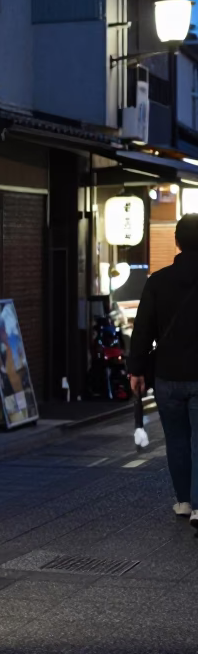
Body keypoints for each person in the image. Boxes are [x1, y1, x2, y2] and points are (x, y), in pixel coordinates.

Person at [128, 213, 198, 529]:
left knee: (177, 439)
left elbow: (142, 330)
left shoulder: (158, 281)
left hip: (167, 375)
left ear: (177, 242)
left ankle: (184, 500)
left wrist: (136, 369)